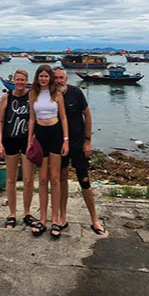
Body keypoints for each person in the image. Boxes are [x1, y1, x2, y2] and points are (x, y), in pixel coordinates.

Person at [53, 66, 108, 236]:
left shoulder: (76, 93)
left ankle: (94, 220)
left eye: (61, 77)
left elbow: (88, 115)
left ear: (66, 79)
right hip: (59, 145)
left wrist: (88, 141)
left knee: (84, 180)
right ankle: (62, 217)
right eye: (55, 78)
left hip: (78, 144)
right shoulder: (50, 96)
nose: (58, 81)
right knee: (62, 181)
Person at [28, 64, 69, 238]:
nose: (43, 79)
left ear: (50, 78)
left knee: (56, 178)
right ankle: (43, 219)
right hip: (40, 136)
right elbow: (31, 118)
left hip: (55, 135)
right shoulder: (33, 94)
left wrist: (66, 140)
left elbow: (63, 117)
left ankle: (55, 220)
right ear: (37, 78)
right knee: (43, 179)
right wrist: (29, 139)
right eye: (41, 76)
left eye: (46, 76)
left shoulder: (57, 95)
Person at [0, 69, 36, 229]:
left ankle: (27, 212)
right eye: (17, 80)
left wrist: (32, 140)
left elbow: (34, 118)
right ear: (14, 81)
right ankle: (12, 214)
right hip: (9, 141)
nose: (20, 83)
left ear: (27, 81)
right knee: (11, 179)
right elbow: (0, 122)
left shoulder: (31, 96)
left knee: (28, 180)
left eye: (23, 80)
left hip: (26, 142)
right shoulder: (7, 96)